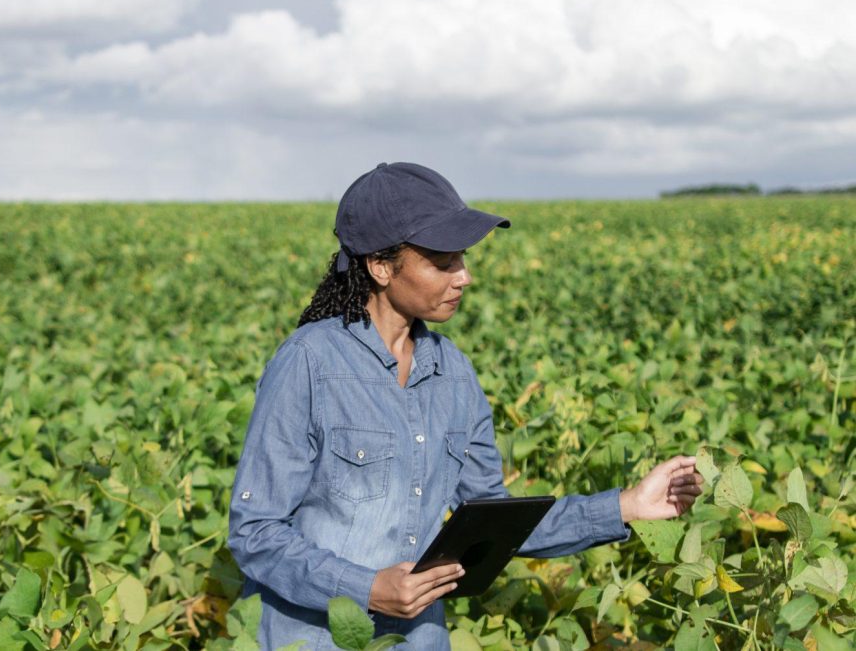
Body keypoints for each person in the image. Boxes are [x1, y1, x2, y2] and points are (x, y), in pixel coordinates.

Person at [228, 162, 704, 650]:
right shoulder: (309, 362)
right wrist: (366, 589)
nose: (464, 277)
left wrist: (627, 506)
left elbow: (492, 519)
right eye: (443, 262)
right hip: (313, 639)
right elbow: (256, 532)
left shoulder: (453, 372)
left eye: (463, 258)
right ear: (381, 266)